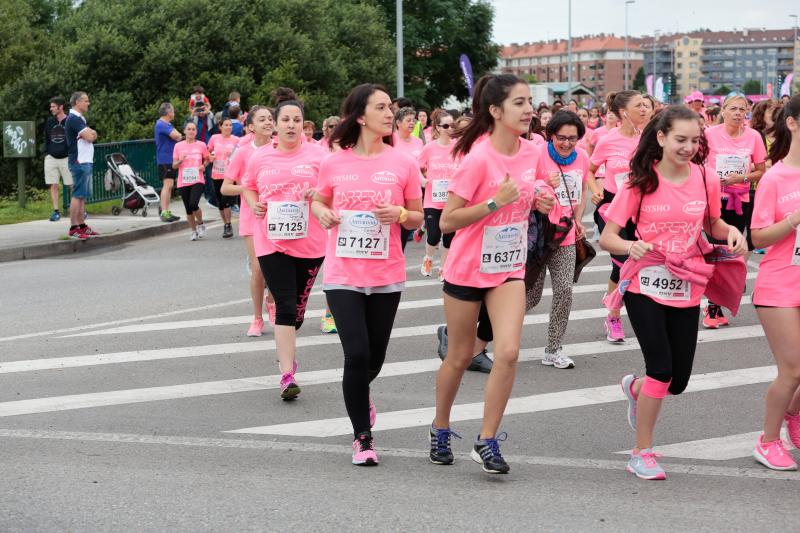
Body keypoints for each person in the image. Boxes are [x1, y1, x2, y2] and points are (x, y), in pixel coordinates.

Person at [599, 105, 746, 480]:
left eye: (695, 140)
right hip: (645, 281)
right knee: (661, 370)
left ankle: (635, 389)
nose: (689, 147)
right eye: (681, 139)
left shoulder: (705, 177)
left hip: (687, 283)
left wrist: (730, 231)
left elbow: (713, 222)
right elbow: (608, 236)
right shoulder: (640, 181)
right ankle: (641, 452)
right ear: (661, 138)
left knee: (677, 381)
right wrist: (628, 246)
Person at [430, 74, 555, 475]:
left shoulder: (533, 151)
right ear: (496, 111)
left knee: (509, 352)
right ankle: (441, 426)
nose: (529, 110)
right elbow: (447, 222)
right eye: (519, 103)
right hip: (467, 269)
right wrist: (492, 203)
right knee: (460, 355)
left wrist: (542, 200)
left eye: (530, 101)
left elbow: (534, 194)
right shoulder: (478, 159)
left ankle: (486, 439)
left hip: (509, 268)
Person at [312, 83, 423, 466]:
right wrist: (322, 213)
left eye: (390, 107)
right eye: (381, 107)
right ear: (361, 116)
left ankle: (360, 393)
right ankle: (363, 438)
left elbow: (419, 214)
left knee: (374, 358)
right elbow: (319, 200)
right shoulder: (334, 162)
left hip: (386, 272)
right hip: (343, 273)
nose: (390, 113)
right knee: (355, 355)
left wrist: (402, 216)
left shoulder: (403, 162)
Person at [243, 96, 328, 400]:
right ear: (275, 125)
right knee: (286, 307)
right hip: (271, 241)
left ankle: (287, 339)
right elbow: (248, 186)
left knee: (297, 314)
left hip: (310, 244)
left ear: (302, 124)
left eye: (296, 120)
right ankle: (287, 374)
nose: (290, 125)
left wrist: (316, 193)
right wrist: (256, 206)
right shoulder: (260, 157)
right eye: (285, 120)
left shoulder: (319, 155)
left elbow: (331, 191)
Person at [750, 95, 800, 471]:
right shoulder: (775, 177)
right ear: (793, 124)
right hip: (780, 285)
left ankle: (794, 414)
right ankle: (767, 441)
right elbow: (758, 238)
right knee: (794, 369)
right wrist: (795, 219)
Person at [528, 110, 590, 369]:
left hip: (564, 233)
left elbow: (583, 188)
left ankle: (554, 349)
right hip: (539, 234)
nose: (566, 143)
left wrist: (578, 219)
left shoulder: (583, 157)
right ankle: (479, 335)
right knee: (529, 296)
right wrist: (542, 182)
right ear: (550, 135)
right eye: (561, 138)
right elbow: (523, 185)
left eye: (572, 138)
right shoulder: (536, 153)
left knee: (565, 290)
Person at [587, 91, 649, 342]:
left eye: (646, 105)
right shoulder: (607, 140)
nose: (645, 109)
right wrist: (596, 189)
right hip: (611, 206)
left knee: (636, 262)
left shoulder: (650, 140)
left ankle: (617, 303)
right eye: (639, 105)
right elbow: (590, 170)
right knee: (622, 261)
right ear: (624, 112)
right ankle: (613, 315)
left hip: (642, 207)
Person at [703, 94, 766, 328]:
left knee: (732, 252)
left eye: (743, 109)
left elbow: (761, 170)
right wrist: (710, 179)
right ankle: (712, 308)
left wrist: (743, 177)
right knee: (715, 252)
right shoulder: (709, 134)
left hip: (741, 199)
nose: (738, 113)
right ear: (723, 110)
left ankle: (719, 302)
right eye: (733, 109)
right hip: (714, 200)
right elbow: (696, 163)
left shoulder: (754, 136)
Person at [222, 106, 276, 336]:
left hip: (279, 216)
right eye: (262, 119)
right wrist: (248, 188)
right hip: (252, 215)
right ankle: (256, 318)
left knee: (275, 269)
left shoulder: (280, 148)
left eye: (270, 118)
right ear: (251, 126)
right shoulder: (243, 152)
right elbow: (225, 187)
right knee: (258, 269)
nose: (268, 122)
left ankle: (272, 302)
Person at [418, 109, 457, 280]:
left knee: (449, 237)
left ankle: (444, 268)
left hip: (452, 200)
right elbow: (416, 169)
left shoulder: (458, 147)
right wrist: (422, 181)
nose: (450, 128)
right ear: (438, 128)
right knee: (433, 235)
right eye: (446, 125)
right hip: (432, 201)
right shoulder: (429, 148)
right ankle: (428, 259)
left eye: (452, 125)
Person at [65, 91, 98, 240]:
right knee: (77, 195)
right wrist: (92, 134)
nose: (88, 103)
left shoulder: (80, 118)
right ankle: (73, 227)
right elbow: (90, 137)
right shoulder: (74, 119)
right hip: (79, 161)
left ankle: (82, 225)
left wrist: (92, 134)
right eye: (85, 100)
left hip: (85, 160)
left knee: (82, 196)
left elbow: (91, 135)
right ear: (77, 102)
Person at [172, 122, 209, 241]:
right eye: (189, 129)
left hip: (197, 179)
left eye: (193, 129)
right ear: (184, 131)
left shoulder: (201, 145)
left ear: (196, 132)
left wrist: (203, 165)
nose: (191, 131)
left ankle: (201, 223)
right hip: (183, 180)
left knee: (193, 204)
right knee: (188, 208)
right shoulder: (178, 146)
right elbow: (174, 166)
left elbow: (207, 159)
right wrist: (180, 161)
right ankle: (193, 231)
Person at [208, 118, 240, 238]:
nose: (228, 127)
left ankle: (228, 225)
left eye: (230, 125)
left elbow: (241, 155)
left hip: (230, 176)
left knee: (225, 201)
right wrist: (209, 157)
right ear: (220, 127)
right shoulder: (214, 138)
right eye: (226, 125)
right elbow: (207, 151)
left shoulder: (236, 140)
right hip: (217, 174)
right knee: (220, 203)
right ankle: (226, 223)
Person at [44, 96, 71, 222]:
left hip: (66, 157)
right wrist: (46, 153)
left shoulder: (70, 120)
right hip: (51, 157)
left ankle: (80, 210)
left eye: (53, 106)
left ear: (61, 107)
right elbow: (46, 138)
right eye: (51, 106)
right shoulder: (50, 121)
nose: (51, 109)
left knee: (72, 184)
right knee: (53, 184)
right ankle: (56, 212)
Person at [154, 102, 182, 223]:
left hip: (169, 158)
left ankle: (166, 210)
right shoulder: (162, 124)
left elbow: (178, 135)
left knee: (169, 186)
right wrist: (177, 134)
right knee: (168, 185)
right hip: (165, 159)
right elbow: (177, 136)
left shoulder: (167, 124)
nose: (174, 113)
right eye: (173, 111)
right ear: (168, 112)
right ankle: (164, 211)